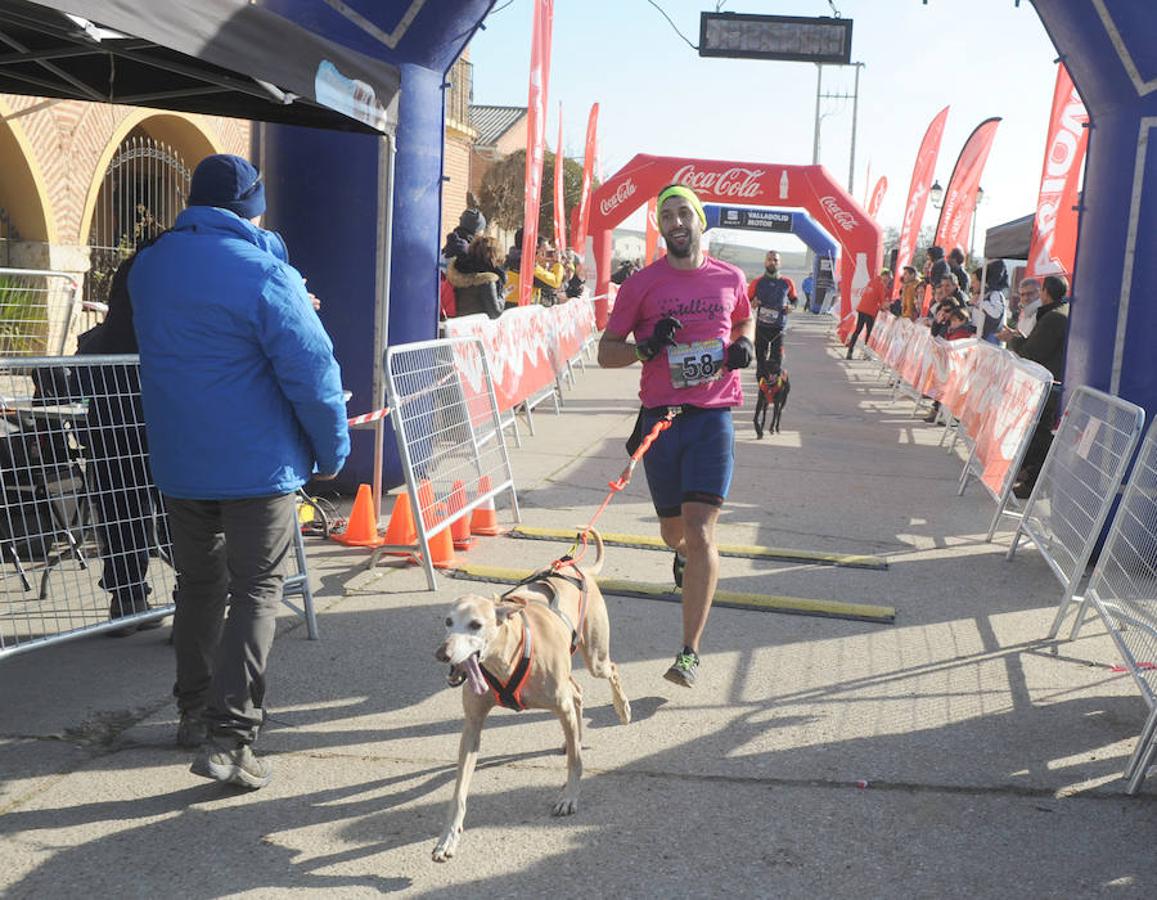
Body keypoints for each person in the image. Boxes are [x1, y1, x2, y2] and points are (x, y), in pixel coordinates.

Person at [130, 154, 350, 789]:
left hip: (181, 458)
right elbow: (313, 370)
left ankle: (194, 713)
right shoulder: (266, 273)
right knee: (257, 590)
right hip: (257, 464)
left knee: (199, 586)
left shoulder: (151, 265)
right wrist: (332, 451)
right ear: (253, 208)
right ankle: (230, 737)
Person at [597, 183, 754, 689]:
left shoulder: (730, 277)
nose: (677, 222)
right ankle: (680, 555)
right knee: (675, 532)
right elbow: (605, 353)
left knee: (702, 529)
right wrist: (644, 349)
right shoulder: (641, 285)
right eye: (667, 216)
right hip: (660, 419)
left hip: (712, 417)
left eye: (685, 213)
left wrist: (745, 345)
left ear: (700, 221)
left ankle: (689, 652)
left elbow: (743, 319)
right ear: (661, 227)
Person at [995, 274, 1070, 498]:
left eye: (1032, 293)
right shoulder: (1057, 313)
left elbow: (1032, 351)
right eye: (1023, 294)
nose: (1026, 298)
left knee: (1040, 434)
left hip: (1047, 385)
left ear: (1044, 292)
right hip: (1047, 382)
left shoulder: (1054, 317)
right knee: (1037, 432)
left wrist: (1012, 339)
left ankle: (1033, 480)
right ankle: (1028, 473)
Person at [746, 250, 796, 374]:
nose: (772, 262)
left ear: (780, 263)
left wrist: (791, 306)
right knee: (761, 363)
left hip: (778, 329)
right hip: (761, 328)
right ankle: (762, 385)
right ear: (765, 262)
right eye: (769, 259)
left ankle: (776, 386)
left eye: (775, 260)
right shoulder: (757, 282)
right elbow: (747, 300)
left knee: (776, 364)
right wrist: (752, 303)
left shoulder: (787, 282)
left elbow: (794, 300)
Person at [447, 234, 505, 319]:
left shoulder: (459, 270)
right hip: (478, 324)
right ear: (494, 256)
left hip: (458, 321)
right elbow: (495, 313)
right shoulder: (486, 280)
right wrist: (503, 294)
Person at [845, 268, 891, 359]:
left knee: (858, 330)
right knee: (869, 332)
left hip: (862, 308)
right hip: (870, 311)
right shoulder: (881, 285)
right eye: (888, 278)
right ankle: (865, 354)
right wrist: (885, 308)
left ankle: (850, 351)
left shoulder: (872, 281)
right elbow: (882, 301)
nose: (888, 281)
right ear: (885, 276)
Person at [973, 259, 1008, 343]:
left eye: (974, 282)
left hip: (991, 338)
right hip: (983, 336)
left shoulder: (995, 294)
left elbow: (996, 314)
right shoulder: (986, 294)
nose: (972, 285)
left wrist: (981, 303)